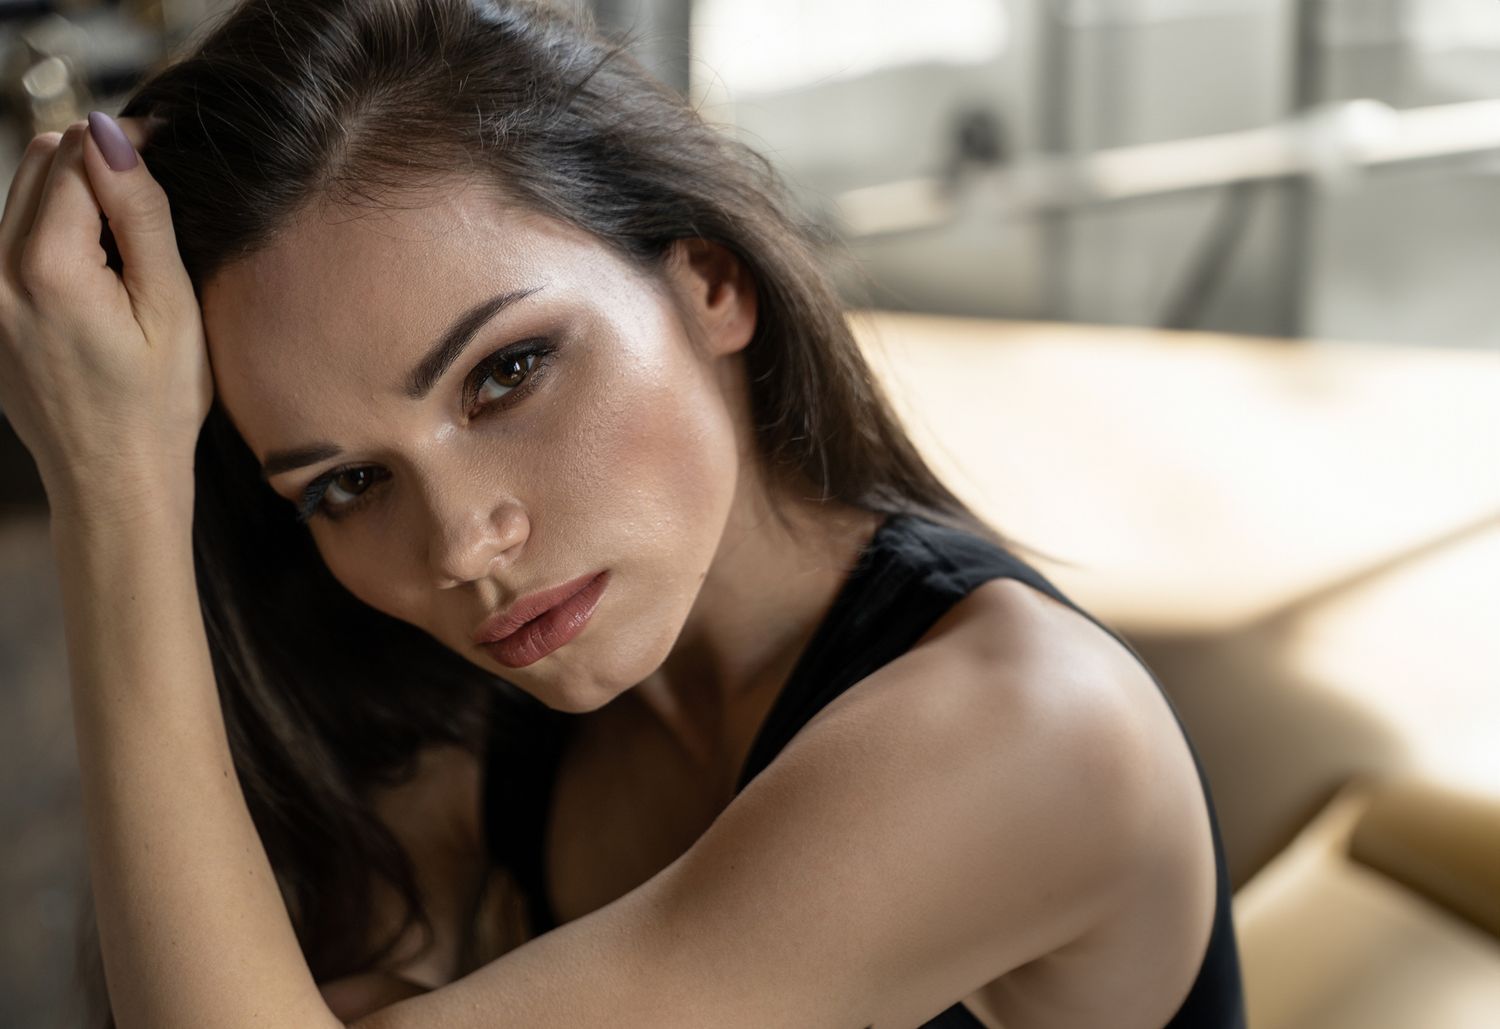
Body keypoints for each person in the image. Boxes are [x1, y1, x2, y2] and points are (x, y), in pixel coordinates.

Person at [0, 0, 1246, 1026]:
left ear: (709, 282)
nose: (458, 544)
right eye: (348, 484)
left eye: (506, 371)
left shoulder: (1025, 734)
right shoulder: (498, 724)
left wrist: (114, 489)